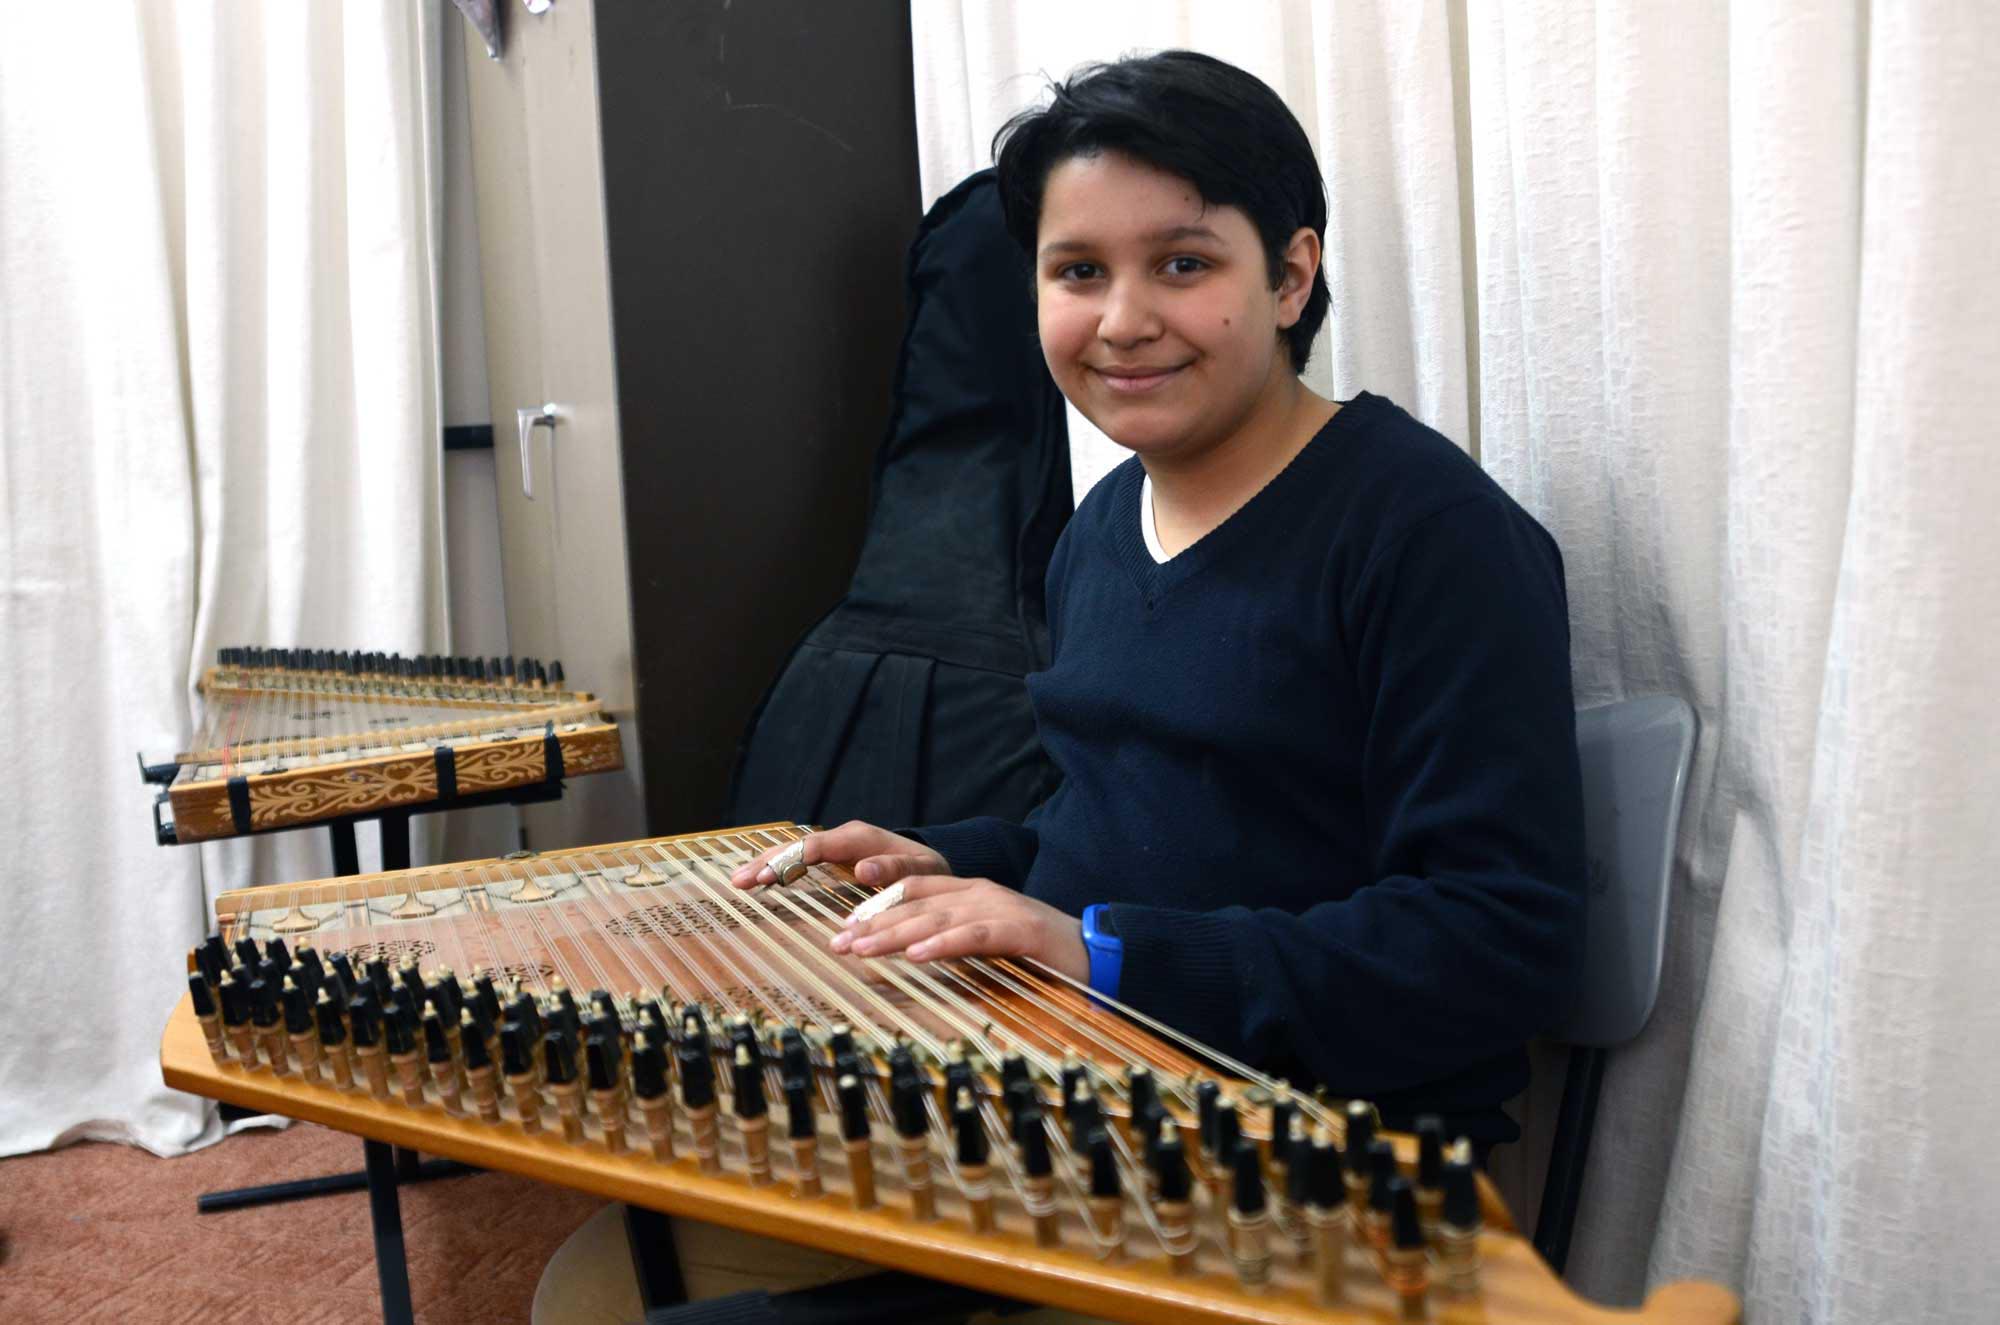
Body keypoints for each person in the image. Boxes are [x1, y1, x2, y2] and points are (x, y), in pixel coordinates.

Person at [734, 49, 1585, 1150]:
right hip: (1086, 1078)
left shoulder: (1428, 532)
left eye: (1181, 265)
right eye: (1076, 271)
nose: (1122, 319)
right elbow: (1109, 831)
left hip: (1314, 1146)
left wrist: (1102, 952)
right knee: (661, 1207)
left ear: (1288, 278)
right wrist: (946, 859)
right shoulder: (1096, 532)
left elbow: (1497, 936)